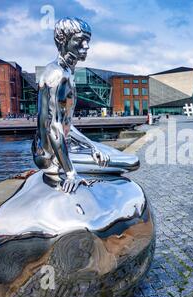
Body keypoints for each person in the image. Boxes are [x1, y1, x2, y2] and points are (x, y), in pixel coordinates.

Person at [33, 17, 139, 193]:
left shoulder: (65, 71)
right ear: (62, 40)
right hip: (49, 157)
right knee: (131, 162)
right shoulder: (58, 75)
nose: (86, 46)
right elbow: (53, 127)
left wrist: (91, 146)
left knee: (106, 151)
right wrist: (70, 173)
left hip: (60, 146)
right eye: (80, 40)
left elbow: (66, 125)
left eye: (87, 41)